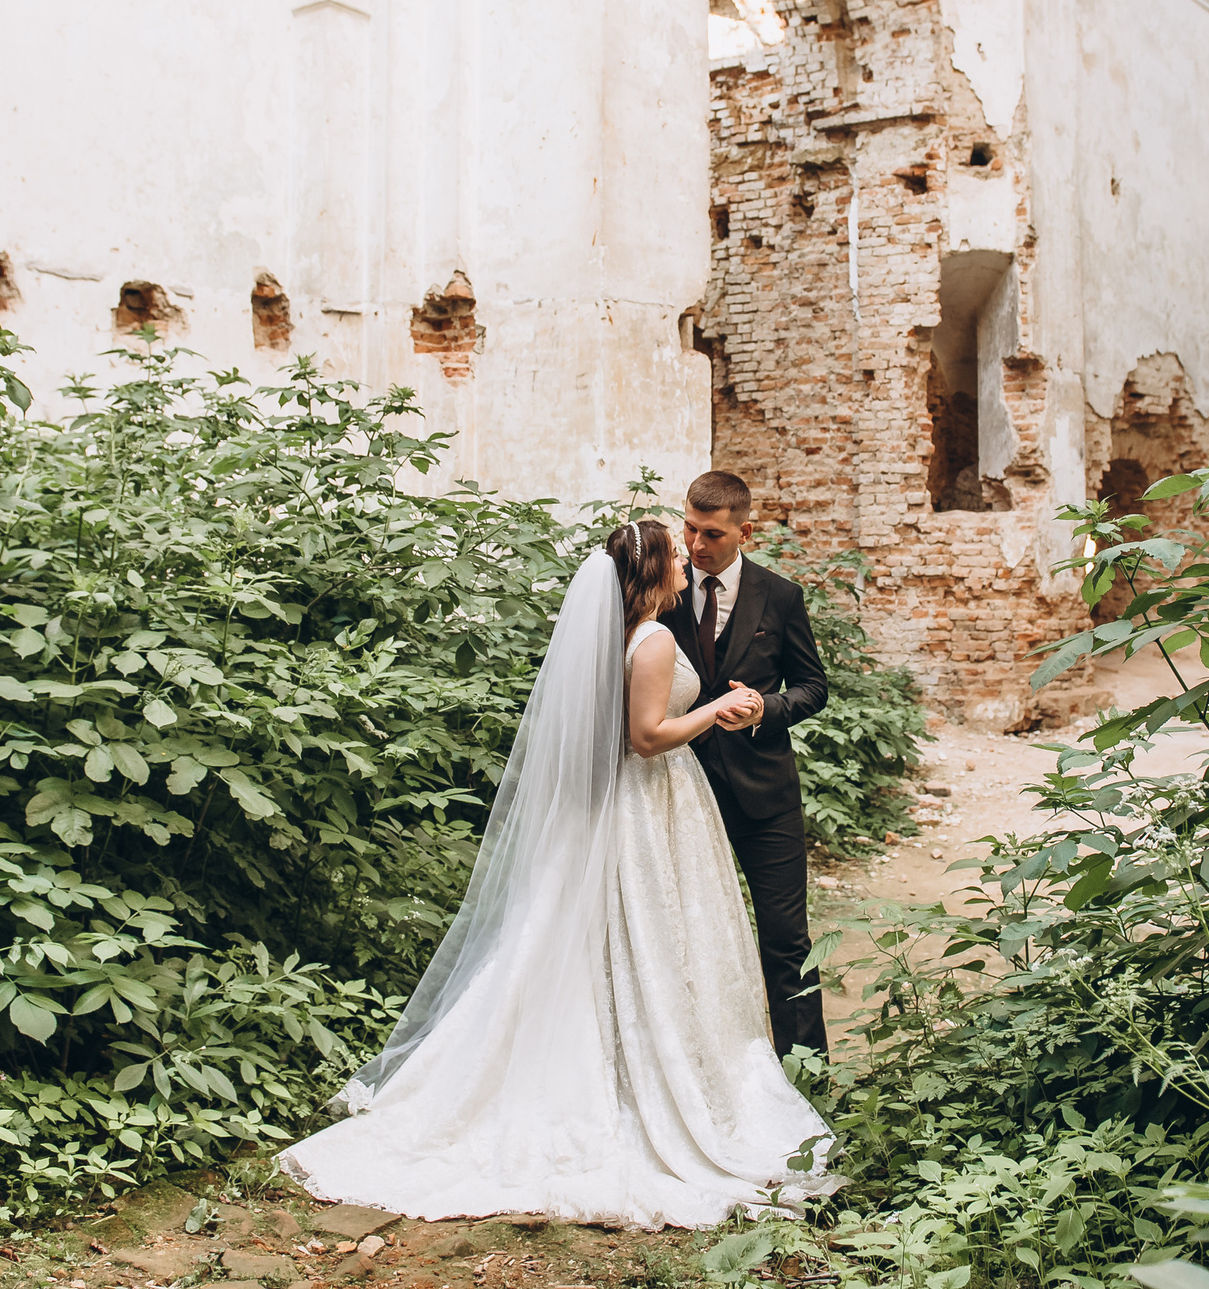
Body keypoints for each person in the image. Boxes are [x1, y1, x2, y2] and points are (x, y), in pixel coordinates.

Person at [275, 521, 835, 1227]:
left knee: (592, 941)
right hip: (647, 800)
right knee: (650, 937)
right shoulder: (656, 638)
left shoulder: (619, 634)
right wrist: (714, 709)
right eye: (676, 552)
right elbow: (646, 737)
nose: (688, 563)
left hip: (617, 806)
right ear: (656, 569)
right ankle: (649, 1078)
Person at [658, 470, 830, 1056]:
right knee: (684, 938)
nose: (695, 545)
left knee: (786, 941)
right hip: (676, 789)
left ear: (745, 532)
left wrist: (765, 706)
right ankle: (701, 1067)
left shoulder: (780, 596)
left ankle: (808, 1072)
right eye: (688, 528)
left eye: (710, 534)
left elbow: (812, 686)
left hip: (764, 793)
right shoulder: (661, 591)